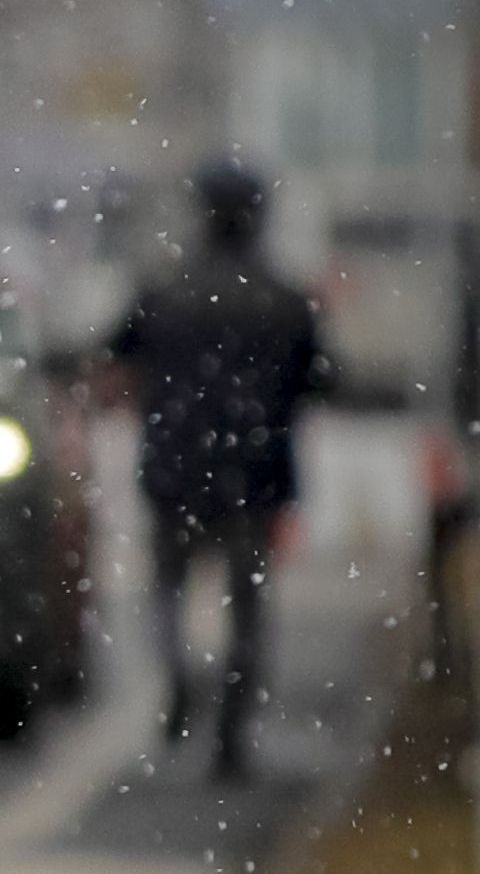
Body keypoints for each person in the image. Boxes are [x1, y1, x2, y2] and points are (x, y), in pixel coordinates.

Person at [107, 157, 332, 781]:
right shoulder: (286, 300)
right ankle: (232, 729)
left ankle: (179, 680)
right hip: (255, 475)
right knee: (248, 608)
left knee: (167, 593)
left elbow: (115, 353)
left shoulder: (165, 291)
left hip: (175, 470)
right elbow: (322, 379)